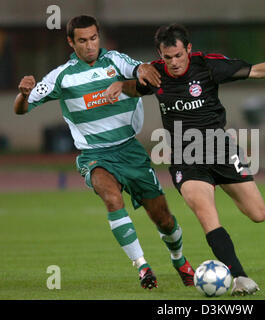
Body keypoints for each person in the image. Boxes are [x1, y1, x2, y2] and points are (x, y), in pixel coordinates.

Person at [106, 23, 265, 295]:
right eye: (168, 58)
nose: (174, 63)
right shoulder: (156, 74)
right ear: (160, 54)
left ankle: (223, 187)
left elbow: (256, 70)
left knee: (258, 214)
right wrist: (121, 85)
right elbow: (136, 88)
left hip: (221, 149)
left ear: (188, 49)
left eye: (178, 55)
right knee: (207, 216)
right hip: (186, 158)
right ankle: (239, 277)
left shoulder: (209, 66)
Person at [13, 15, 195, 290]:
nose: (89, 45)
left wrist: (144, 70)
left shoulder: (116, 61)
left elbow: (139, 70)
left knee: (164, 219)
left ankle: (179, 260)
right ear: (71, 42)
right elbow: (21, 109)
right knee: (111, 199)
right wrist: (24, 94)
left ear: (100, 37)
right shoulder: (61, 76)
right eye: (82, 41)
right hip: (95, 155)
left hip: (130, 151)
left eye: (94, 38)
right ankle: (143, 266)